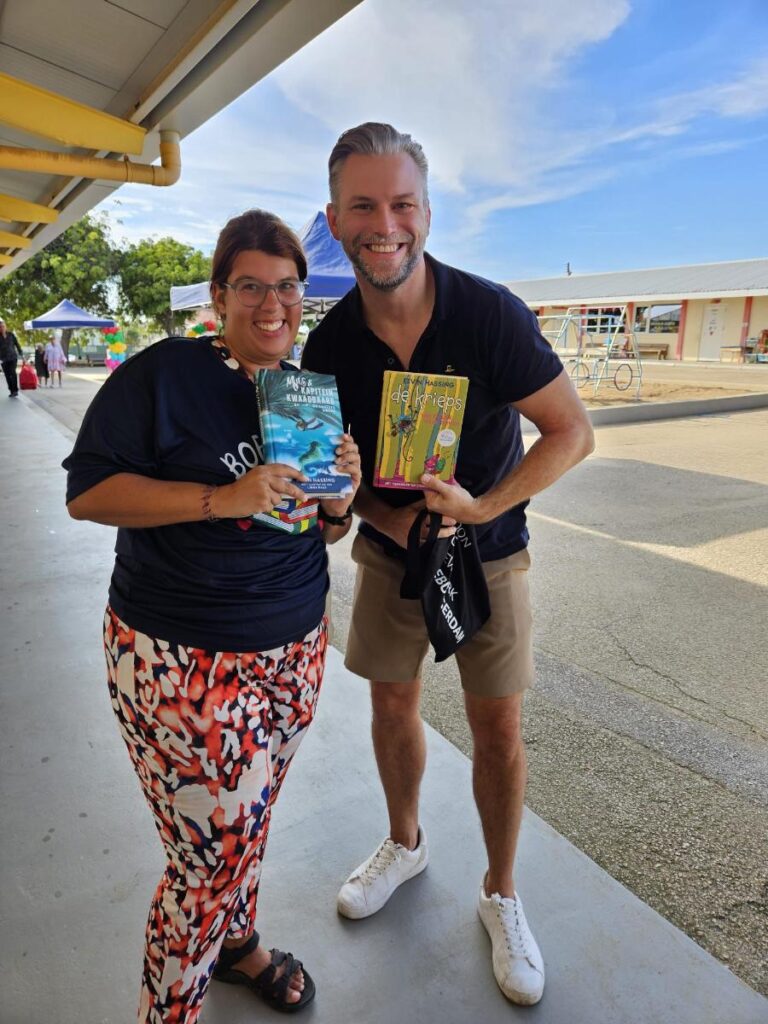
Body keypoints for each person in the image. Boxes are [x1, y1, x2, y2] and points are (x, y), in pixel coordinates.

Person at [302, 123, 594, 1007]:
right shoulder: (330, 350)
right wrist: (336, 506)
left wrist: (483, 507)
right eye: (362, 205)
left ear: (425, 213)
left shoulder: (487, 313)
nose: (382, 224)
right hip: (392, 553)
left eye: (400, 204)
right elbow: (325, 513)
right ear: (335, 218)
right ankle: (407, 841)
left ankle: (502, 894)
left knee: (497, 728)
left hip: (490, 553)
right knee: (392, 703)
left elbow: (572, 432)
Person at [63, 209, 361, 1022]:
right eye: (251, 287)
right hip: (181, 657)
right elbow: (87, 492)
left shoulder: (300, 394)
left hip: (295, 645)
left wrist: (342, 496)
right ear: (219, 296)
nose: (274, 305)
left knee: (247, 826)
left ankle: (237, 947)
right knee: (207, 865)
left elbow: (321, 529)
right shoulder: (162, 375)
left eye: (288, 287)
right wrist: (217, 498)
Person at [0, 316, 23, 397]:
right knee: (7, 375)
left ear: (5, 327)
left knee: (13, 373)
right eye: (0, 327)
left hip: (13, 357)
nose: (2, 328)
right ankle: (11, 390)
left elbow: (17, 344)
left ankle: (15, 390)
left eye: (3, 326)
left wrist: (21, 353)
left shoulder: (11, 335)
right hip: (3, 359)